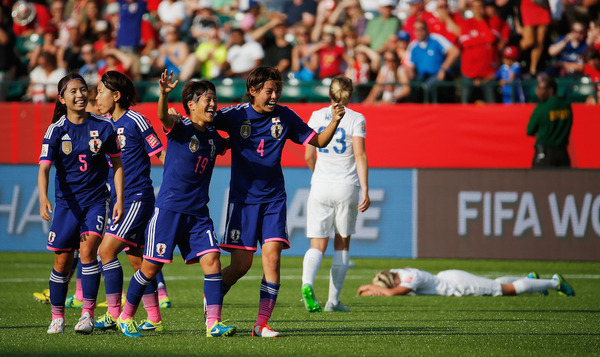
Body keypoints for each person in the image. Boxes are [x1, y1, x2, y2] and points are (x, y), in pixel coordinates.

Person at [215, 66, 346, 337]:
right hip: (243, 200)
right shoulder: (235, 115)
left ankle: (261, 324)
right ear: (252, 91)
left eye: (278, 90)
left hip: (274, 199)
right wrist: (220, 143)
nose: (274, 95)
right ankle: (213, 296)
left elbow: (319, 141)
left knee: (272, 260)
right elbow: (203, 123)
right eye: (269, 91)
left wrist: (334, 120)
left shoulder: (285, 116)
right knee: (241, 266)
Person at [117, 70, 235, 338]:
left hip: (198, 214)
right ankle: (126, 317)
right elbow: (162, 117)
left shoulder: (214, 137)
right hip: (170, 210)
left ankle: (213, 323)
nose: (213, 105)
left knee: (213, 260)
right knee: (150, 268)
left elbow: (233, 142)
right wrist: (163, 94)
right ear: (191, 104)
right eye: (208, 99)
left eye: (215, 100)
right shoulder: (180, 129)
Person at [39, 73, 124, 334]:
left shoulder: (103, 127)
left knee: (88, 254)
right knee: (62, 262)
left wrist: (119, 199)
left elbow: (118, 163)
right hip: (66, 205)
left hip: (96, 202)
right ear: (62, 98)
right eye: (73, 91)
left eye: (82, 90)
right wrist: (43, 197)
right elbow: (44, 168)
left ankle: (87, 315)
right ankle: (57, 317)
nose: (79, 95)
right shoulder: (56, 129)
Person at [93, 70, 166, 333]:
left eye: (101, 91)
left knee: (105, 251)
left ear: (116, 95)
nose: (96, 96)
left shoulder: (137, 120)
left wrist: (180, 183)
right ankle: (155, 318)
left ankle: (114, 314)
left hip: (137, 197)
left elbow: (161, 155)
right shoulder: (101, 124)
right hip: (118, 199)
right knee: (138, 261)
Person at [301, 76, 370, 313]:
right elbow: (360, 155)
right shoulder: (356, 118)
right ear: (349, 95)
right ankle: (333, 301)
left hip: (320, 185)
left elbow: (309, 156)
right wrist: (366, 189)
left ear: (329, 93)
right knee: (342, 244)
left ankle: (306, 284)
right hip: (346, 186)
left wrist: (319, 173)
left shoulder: (317, 116)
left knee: (317, 244)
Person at [358, 268, 575, 297]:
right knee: (496, 283)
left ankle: (554, 283)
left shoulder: (409, 277)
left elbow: (395, 293)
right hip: (452, 279)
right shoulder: (402, 274)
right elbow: (392, 290)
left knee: (505, 290)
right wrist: (370, 289)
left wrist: (372, 288)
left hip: (457, 284)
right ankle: (529, 281)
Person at [526, 73, 573, 168]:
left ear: (550, 90)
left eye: (540, 89)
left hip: (545, 154)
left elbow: (530, 130)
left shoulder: (542, 108)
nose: (537, 92)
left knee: (540, 181)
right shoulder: (567, 106)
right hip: (563, 154)